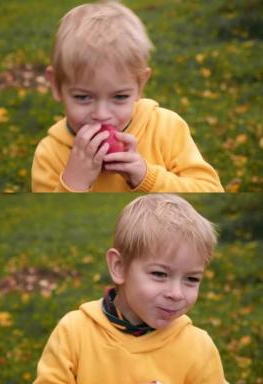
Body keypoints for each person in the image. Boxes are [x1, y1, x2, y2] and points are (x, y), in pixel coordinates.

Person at [31, 1, 223, 192]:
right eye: (83, 97)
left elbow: (211, 189)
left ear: (140, 85)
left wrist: (146, 176)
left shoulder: (166, 127)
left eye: (120, 97)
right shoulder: (50, 154)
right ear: (55, 85)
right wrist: (74, 182)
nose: (101, 114)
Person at [33, 194, 226, 383]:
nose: (176, 294)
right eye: (159, 274)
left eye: (191, 279)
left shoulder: (198, 347)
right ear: (119, 267)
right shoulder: (74, 332)